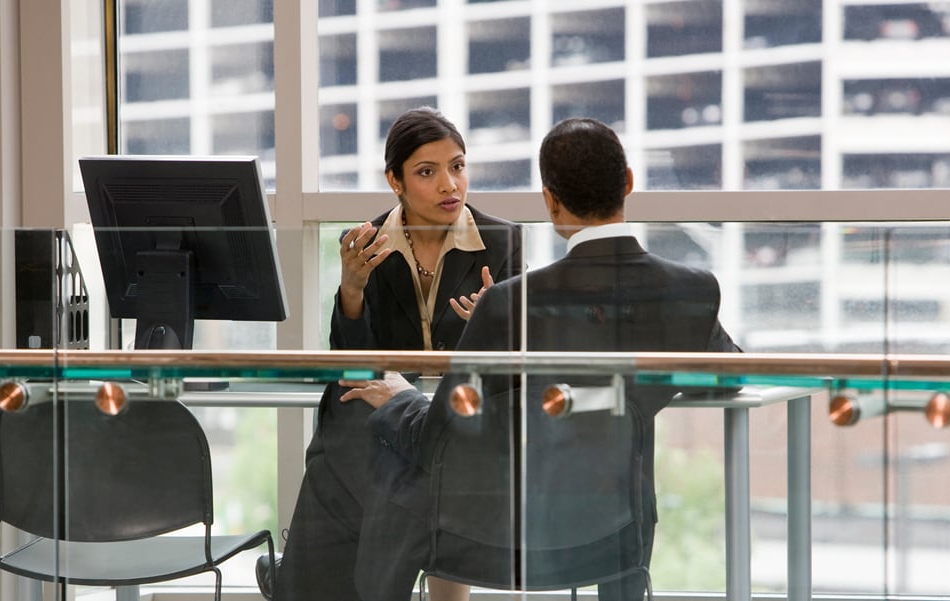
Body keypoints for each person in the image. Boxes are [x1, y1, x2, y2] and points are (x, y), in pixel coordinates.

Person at [341, 117, 741, 601]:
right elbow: (725, 377)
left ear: (550, 201)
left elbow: (435, 440)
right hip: (615, 535)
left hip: (506, 537)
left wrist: (402, 396)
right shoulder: (693, 290)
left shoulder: (511, 303)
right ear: (629, 183)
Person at [268, 107, 523, 601]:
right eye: (427, 172)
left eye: (458, 165)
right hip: (386, 410)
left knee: (392, 466)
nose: (450, 184)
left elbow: (510, 368)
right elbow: (351, 363)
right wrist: (352, 289)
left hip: (460, 414)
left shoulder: (502, 242)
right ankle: (321, 582)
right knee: (341, 442)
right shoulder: (366, 245)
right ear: (396, 180)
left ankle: (330, 580)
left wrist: (487, 327)